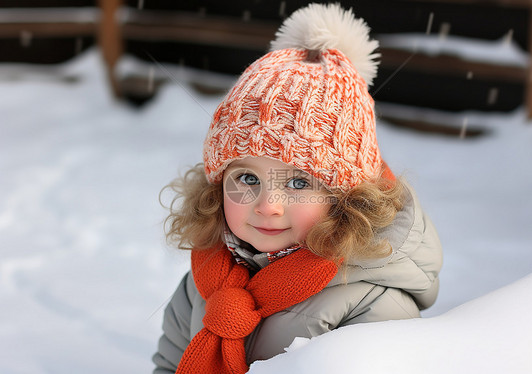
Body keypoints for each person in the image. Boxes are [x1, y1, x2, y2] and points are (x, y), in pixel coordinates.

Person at [153, 3, 442, 374]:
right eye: (248, 179)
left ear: (347, 201)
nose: (268, 205)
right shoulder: (205, 280)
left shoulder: (373, 304)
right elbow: (169, 363)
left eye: (299, 182)